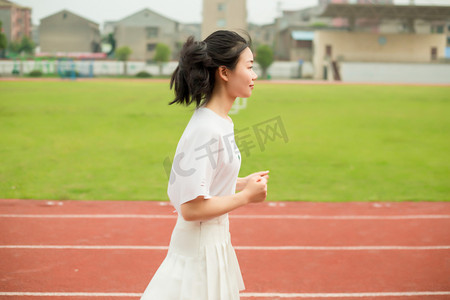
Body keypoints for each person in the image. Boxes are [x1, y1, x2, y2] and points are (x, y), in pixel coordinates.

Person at [140, 30, 269, 300]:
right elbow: (190, 207)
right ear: (224, 72)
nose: (255, 75)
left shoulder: (221, 122)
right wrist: (245, 196)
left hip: (214, 245)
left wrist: (242, 182)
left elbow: (207, 179)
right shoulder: (206, 128)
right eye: (249, 67)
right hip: (197, 252)